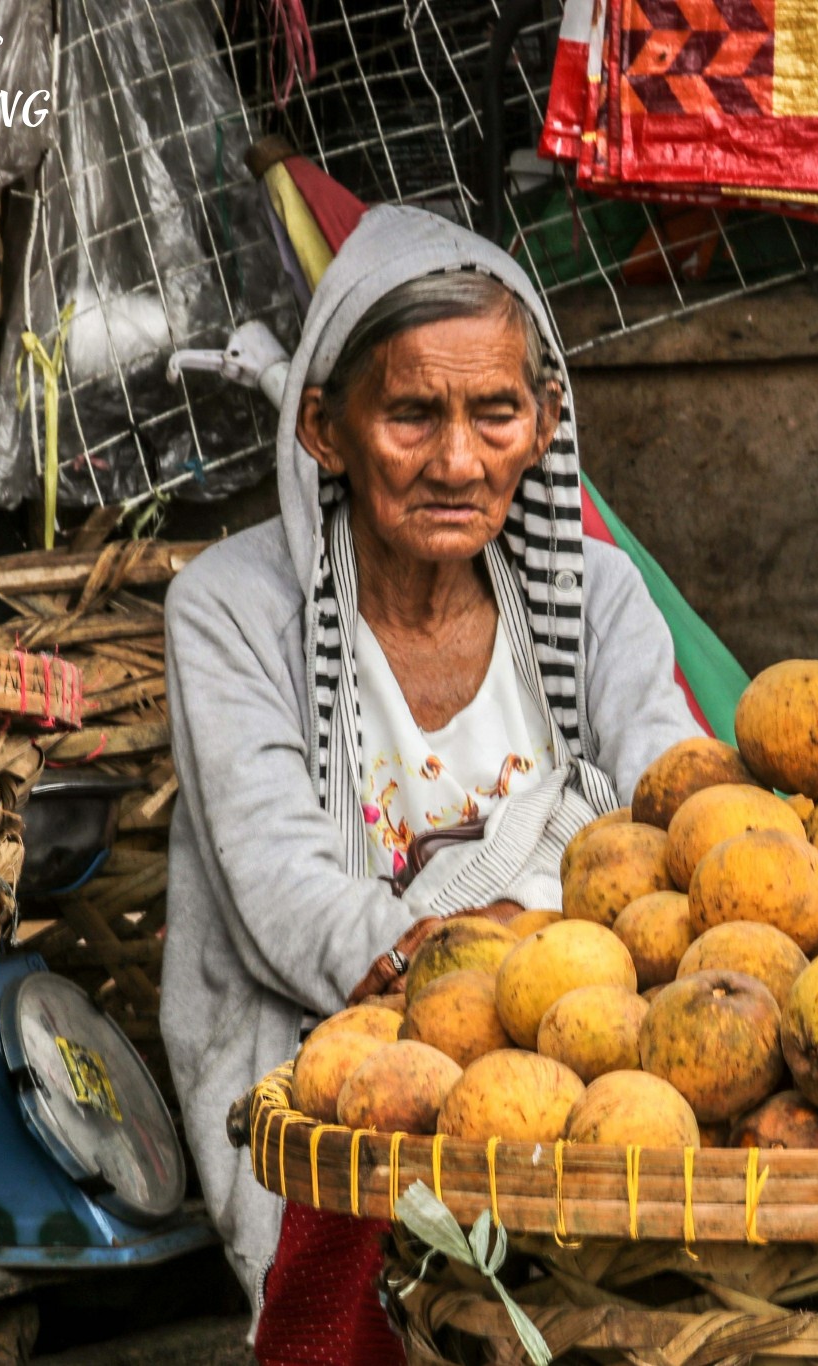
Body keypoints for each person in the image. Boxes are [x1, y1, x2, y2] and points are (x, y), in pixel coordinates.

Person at [161, 207, 700, 1361]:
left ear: (542, 420)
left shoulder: (595, 597)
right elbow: (292, 903)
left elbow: (678, 819)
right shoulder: (230, 609)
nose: (459, 460)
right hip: (338, 1062)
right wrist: (496, 955)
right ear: (324, 426)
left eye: (495, 411)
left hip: (582, 1059)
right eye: (412, 413)